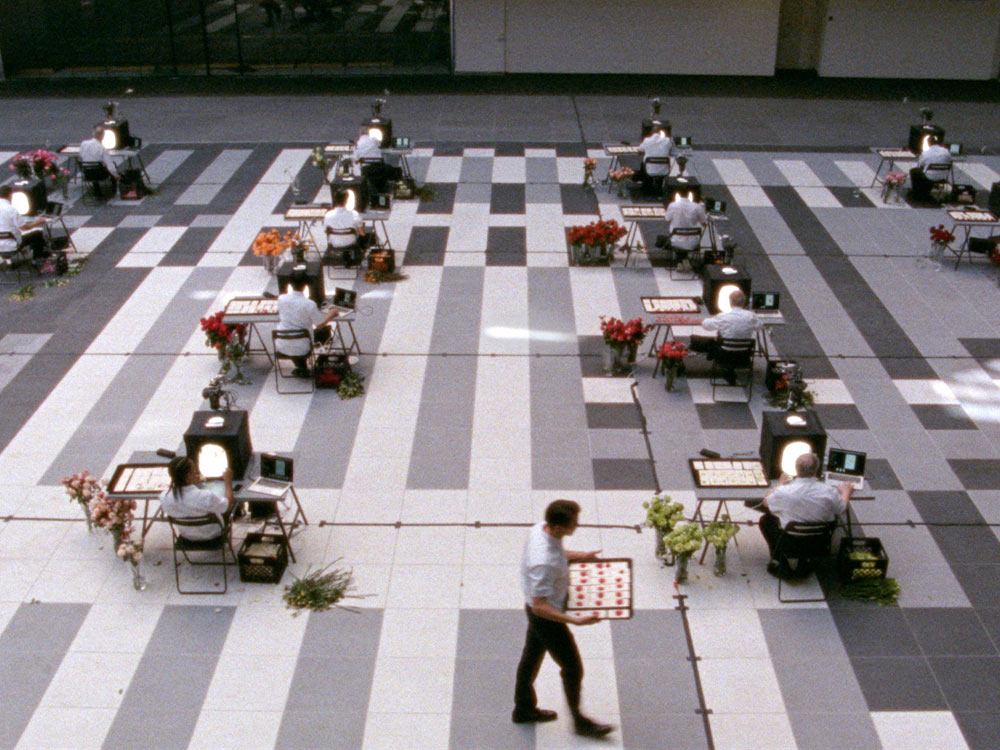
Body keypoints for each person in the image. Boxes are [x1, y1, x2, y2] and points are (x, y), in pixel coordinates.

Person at [513, 499, 614, 739]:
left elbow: (557, 552)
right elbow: (540, 607)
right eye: (573, 523)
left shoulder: (541, 529)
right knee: (572, 668)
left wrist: (581, 555)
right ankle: (580, 722)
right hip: (547, 618)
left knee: (531, 656)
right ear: (558, 527)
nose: (576, 527)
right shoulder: (543, 562)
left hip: (538, 609)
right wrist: (573, 620)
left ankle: (523, 709)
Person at [754, 452, 852, 577]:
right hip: (819, 542)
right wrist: (846, 492)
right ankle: (804, 560)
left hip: (790, 542)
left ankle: (780, 559)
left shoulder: (785, 491)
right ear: (817, 469)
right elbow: (841, 509)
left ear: (796, 469)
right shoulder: (829, 491)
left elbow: (766, 502)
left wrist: (779, 484)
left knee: (766, 520)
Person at [276, 266, 340, 376]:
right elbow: (320, 324)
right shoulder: (309, 304)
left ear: (290, 284)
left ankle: (301, 367)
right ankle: (303, 366)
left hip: (282, 344)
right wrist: (331, 314)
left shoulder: (281, 299)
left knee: (297, 336)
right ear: (306, 285)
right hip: (302, 347)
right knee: (323, 332)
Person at [160, 456, 238, 541]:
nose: (197, 472)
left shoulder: (164, 497)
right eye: (194, 470)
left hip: (187, 536)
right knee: (229, 505)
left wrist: (191, 482)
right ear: (188, 476)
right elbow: (229, 505)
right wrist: (228, 481)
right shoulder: (205, 496)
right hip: (213, 535)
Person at [696, 288, 762, 383]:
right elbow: (760, 326)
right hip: (743, 356)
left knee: (707, 342)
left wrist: (705, 320)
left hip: (724, 355)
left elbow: (706, 326)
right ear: (744, 302)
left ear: (730, 302)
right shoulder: (750, 316)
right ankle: (729, 370)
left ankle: (723, 366)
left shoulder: (723, 316)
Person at [0, 185, 47, 264]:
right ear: (10, 194)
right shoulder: (11, 209)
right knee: (37, 234)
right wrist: (37, 222)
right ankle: (37, 259)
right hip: (12, 244)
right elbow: (24, 228)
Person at [324, 188, 369, 267]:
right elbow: (362, 233)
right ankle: (358, 257)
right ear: (346, 200)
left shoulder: (328, 215)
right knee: (368, 234)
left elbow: (325, 231)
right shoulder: (354, 214)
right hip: (350, 243)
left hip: (335, 243)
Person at [909, 134, 952, 202]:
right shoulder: (946, 151)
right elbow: (950, 161)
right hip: (944, 176)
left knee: (914, 171)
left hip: (929, 176)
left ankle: (917, 193)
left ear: (928, 143)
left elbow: (919, 165)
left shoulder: (926, 153)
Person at [635, 125, 674, 196]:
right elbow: (671, 150)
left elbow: (639, 150)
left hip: (649, 169)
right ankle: (659, 187)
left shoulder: (647, 140)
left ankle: (646, 188)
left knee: (643, 164)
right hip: (663, 169)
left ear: (651, 132)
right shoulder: (667, 140)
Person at [79, 126, 120, 194]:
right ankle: (113, 190)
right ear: (103, 136)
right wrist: (116, 175)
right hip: (100, 174)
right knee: (110, 166)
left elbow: (81, 156)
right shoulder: (102, 148)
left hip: (87, 173)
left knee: (92, 166)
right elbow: (110, 166)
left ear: (93, 134)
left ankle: (96, 190)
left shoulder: (83, 144)